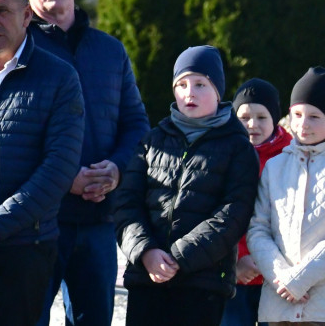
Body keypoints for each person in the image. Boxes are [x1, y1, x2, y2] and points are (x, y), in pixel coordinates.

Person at [20, 0, 149, 326]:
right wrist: (65, 178)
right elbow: (11, 137)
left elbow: (137, 124)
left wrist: (117, 169)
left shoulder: (111, 51)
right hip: (38, 221)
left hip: (97, 220)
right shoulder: (18, 53)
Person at [0, 0, 85, 326]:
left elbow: (59, 167)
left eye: (2, 11)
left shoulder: (59, 77)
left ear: (27, 15)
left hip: (24, 246)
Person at [116, 46, 260, 326]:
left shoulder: (238, 147)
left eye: (200, 84)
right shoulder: (152, 141)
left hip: (202, 284)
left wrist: (178, 258)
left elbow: (233, 214)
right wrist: (146, 252)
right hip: (146, 279)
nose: (189, 92)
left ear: (218, 91)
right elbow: (126, 203)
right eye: (181, 84)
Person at [246, 67, 325, 325]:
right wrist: (282, 277)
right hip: (279, 303)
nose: (303, 124)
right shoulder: (275, 167)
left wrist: (300, 280)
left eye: (314, 116)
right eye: (298, 114)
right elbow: (258, 229)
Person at [222, 79, 291, 326]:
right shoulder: (225, 155)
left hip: (277, 278)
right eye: (245, 117)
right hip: (236, 274)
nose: (253, 124)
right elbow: (219, 217)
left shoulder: (290, 156)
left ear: (275, 117)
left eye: (262, 117)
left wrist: (267, 261)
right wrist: (233, 264)